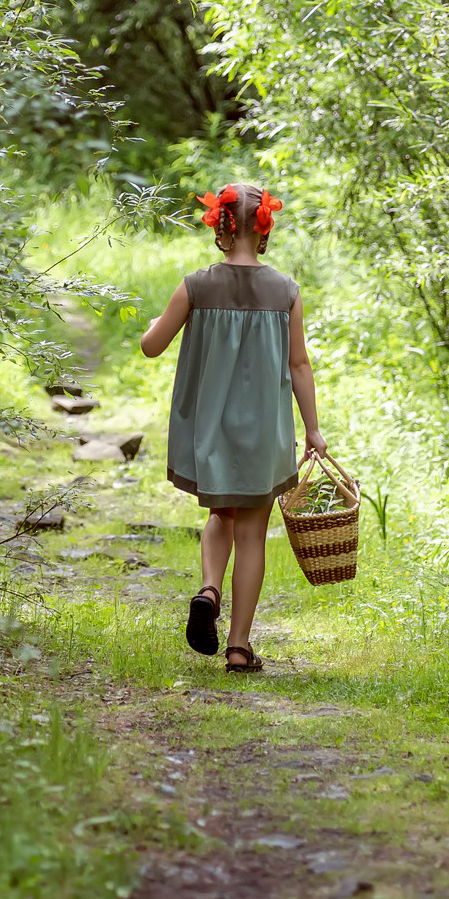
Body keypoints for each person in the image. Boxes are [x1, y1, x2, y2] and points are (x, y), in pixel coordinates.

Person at [138, 183, 326, 674]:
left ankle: (208, 590)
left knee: (220, 514)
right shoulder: (286, 291)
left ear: (220, 227)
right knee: (252, 533)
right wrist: (313, 430)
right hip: (265, 430)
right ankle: (239, 648)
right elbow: (299, 364)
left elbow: (151, 346)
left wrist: (158, 320)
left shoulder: (196, 286)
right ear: (263, 231)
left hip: (211, 426)